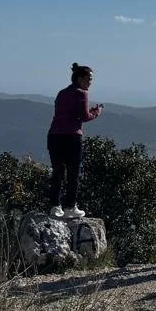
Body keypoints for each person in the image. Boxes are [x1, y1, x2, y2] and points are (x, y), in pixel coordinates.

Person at [47, 63, 102, 220]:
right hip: (71, 137)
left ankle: (55, 206)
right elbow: (84, 117)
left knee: (57, 172)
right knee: (73, 173)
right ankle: (70, 206)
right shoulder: (82, 93)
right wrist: (96, 112)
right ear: (80, 78)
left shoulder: (62, 93)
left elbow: (67, 113)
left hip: (54, 136)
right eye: (89, 79)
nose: (90, 82)